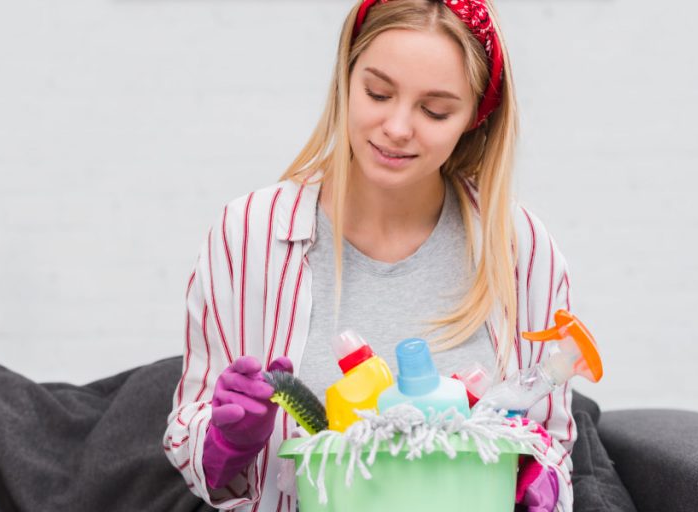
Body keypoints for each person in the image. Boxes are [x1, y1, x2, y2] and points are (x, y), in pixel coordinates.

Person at [163, 1, 576, 511]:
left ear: (475, 117)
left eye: (435, 110)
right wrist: (226, 443)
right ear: (346, 78)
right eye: (378, 93)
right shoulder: (248, 233)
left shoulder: (519, 247)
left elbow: (553, 442)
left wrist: (536, 480)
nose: (398, 127)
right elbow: (187, 440)